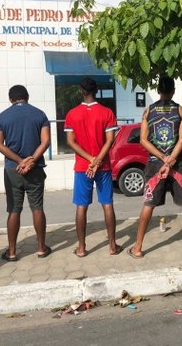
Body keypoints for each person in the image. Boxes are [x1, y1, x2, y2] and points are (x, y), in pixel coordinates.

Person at [127, 76, 182, 258]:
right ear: (173, 90)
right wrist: (170, 160)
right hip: (178, 162)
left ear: (158, 90)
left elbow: (143, 140)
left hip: (154, 163)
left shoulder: (148, 111)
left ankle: (137, 248)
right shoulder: (181, 111)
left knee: (148, 204)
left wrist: (161, 158)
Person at [64, 77, 122, 257]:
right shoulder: (106, 112)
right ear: (96, 90)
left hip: (83, 167)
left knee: (81, 207)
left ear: (81, 91)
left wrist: (90, 160)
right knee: (107, 205)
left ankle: (81, 248)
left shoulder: (72, 114)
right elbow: (110, 140)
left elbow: (70, 142)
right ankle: (112, 246)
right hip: (103, 166)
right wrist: (96, 161)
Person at [0, 85, 52, 261]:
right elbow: (46, 141)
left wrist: (19, 161)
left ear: (10, 99)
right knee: (37, 208)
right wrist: (31, 160)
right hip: (34, 169)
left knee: (14, 210)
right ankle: (41, 248)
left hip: (13, 169)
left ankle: (11, 252)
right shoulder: (40, 114)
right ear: (27, 96)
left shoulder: (2, 117)